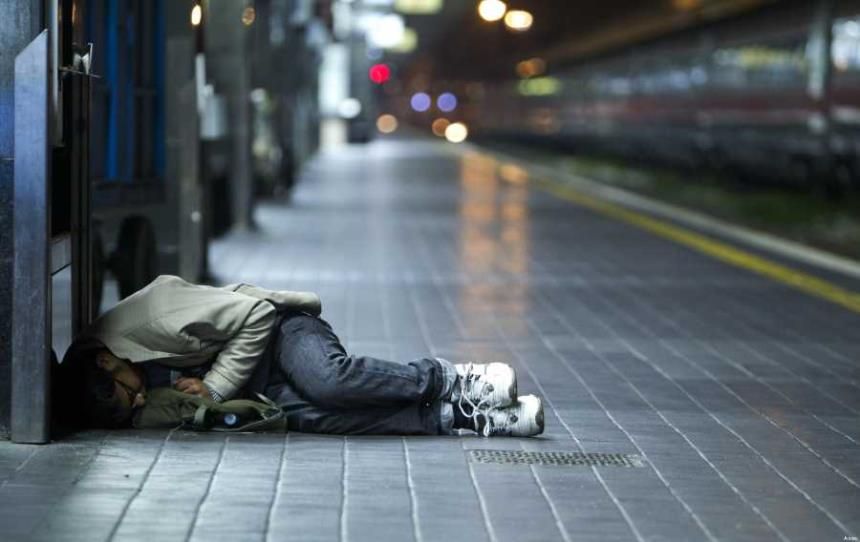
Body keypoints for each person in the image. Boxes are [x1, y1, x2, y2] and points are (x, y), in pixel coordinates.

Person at [56, 275, 544, 437]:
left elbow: (256, 314)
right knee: (314, 416)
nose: (141, 402)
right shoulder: (99, 387)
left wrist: (219, 387)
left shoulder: (156, 317)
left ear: (107, 361)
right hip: (256, 383)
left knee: (327, 383)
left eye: (132, 395)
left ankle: (454, 379)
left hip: (283, 331)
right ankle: (458, 416)